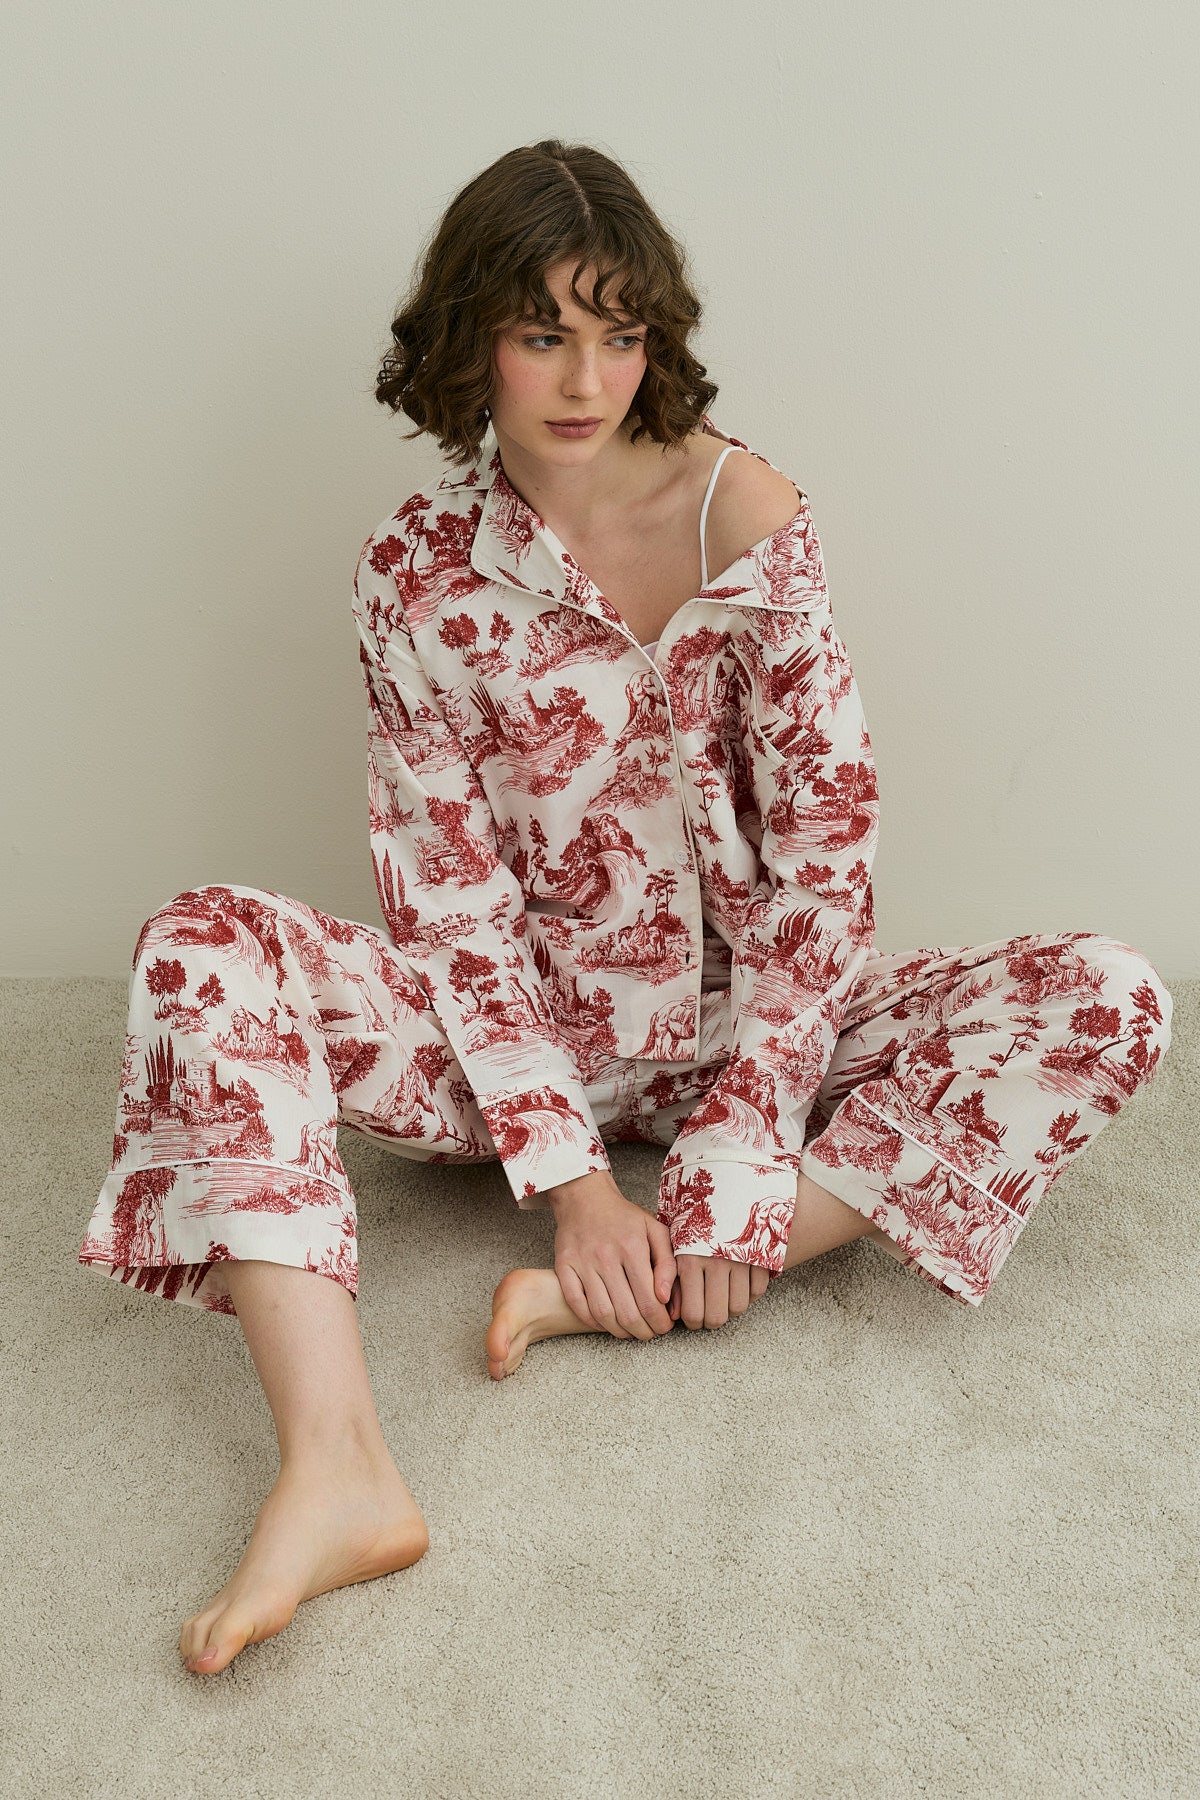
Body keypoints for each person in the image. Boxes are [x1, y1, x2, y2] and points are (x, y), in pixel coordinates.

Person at [76, 139, 1173, 1677]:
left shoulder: (749, 517)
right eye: (543, 335)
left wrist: (743, 1147)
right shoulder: (415, 572)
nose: (586, 379)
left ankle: (700, 1264)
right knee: (199, 945)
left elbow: (825, 866)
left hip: (752, 1030)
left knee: (1111, 993)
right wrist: (576, 1184)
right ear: (471, 340)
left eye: (620, 331)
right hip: (520, 1054)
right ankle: (339, 1471)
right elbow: (451, 901)